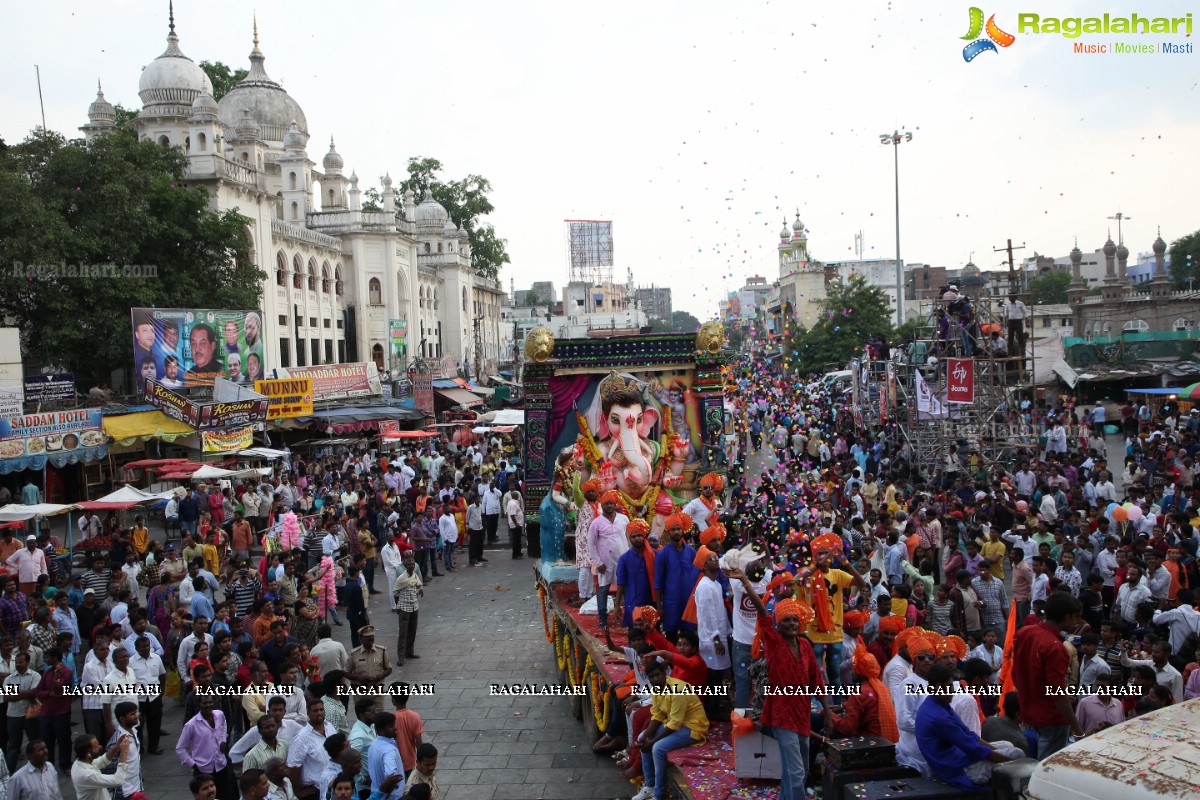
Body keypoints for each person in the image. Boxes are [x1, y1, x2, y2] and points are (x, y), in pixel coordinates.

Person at [728, 568, 829, 800]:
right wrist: (744, 580)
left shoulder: (805, 646)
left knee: (798, 771)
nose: (792, 624)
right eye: (786, 620)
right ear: (778, 624)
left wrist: (828, 714)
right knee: (797, 771)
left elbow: (816, 681)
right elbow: (763, 612)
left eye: (795, 619)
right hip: (781, 715)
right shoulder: (773, 643)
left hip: (802, 713)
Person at [915, 663, 1017, 792]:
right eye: (946, 687)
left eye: (951, 686)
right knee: (1016, 754)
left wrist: (997, 753)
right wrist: (1010, 764)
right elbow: (973, 748)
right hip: (955, 768)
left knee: (1008, 745)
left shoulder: (939, 704)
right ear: (934, 688)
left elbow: (969, 734)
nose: (951, 691)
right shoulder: (938, 716)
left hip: (959, 756)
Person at [1013, 592, 1085, 758]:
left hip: (1029, 712)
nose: (1077, 622)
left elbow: (1016, 674)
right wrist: (1077, 728)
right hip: (1051, 718)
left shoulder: (1024, 632)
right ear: (1067, 617)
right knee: (1046, 765)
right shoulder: (1055, 647)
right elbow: (1058, 694)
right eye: (1075, 617)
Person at [632, 658, 708, 800]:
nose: (655, 679)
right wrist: (645, 737)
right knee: (642, 736)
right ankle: (649, 785)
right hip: (675, 724)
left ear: (664, 674)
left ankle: (659, 794)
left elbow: (675, 723)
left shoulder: (677, 689)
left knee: (657, 748)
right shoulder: (656, 689)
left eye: (658, 675)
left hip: (693, 728)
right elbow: (658, 715)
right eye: (652, 677)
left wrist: (653, 741)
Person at [177, 694, 235, 800]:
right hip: (203, 769)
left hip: (221, 765)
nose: (208, 705)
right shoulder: (191, 725)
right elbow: (180, 748)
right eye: (204, 703)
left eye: (210, 702)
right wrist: (193, 765)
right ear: (199, 705)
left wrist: (223, 739)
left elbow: (224, 724)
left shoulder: (219, 715)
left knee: (225, 795)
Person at [71, 732, 132, 800]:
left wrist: (116, 747)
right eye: (96, 747)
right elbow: (117, 780)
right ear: (88, 754)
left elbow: (102, 761)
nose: (100, 747)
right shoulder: (86, 775)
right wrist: (124, 753)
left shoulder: (80, 761)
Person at [366, 711, 406, 800]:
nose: (395, 728)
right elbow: (391, 774)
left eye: (394, 725)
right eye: (391, 726)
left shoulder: (373, 745)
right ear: (380, 730)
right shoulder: (389, 750)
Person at [392, 553, 422, 665]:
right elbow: (395, 592)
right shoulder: (401, 578)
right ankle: (401, 656)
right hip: (404, 608)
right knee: (403, 632)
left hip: (414, 606)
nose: (411, 566)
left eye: (413, 564)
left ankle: (409, 652)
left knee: (412, 631)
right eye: (409, 564)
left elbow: (419, 584)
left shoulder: (414, 575)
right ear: (405, 565)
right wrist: (398, 606)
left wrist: (420, 590)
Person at [506, 489, 525, 559]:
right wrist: (516, 523)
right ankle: (515, 554)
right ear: (515, 496)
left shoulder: (512, 502)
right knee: (516, 540)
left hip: (517, 524)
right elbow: (512, 515)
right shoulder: (513, 504)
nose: (518, 496)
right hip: (516, 524)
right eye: (517, 495)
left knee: (518, 539)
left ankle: (518, 552)